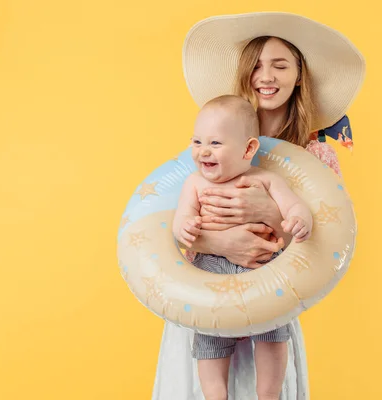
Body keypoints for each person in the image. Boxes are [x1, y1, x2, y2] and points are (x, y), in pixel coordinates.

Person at [152, 12, 365, 400]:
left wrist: (268, 212)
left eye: (279, 66)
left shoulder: (314, 157)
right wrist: (221, 245)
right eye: (256, 66)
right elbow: (170, 227)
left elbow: (326, 246)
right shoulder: (211, 143)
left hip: (269, 303)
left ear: (299, 74)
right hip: (205, 301)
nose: (265, 77)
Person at [173, 94, 314, 400]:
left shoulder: (265, 179)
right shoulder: (195, 184)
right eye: (197, 142)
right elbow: (181, 220)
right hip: (211, 271)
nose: (203, 152)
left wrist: (299, 219)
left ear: (248, 148)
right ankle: (215, 394)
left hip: (263, 270)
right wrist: (185, 224)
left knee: (273, 331)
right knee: (209, 336)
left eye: (215, 144)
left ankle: (269, 393)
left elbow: (294, 207)